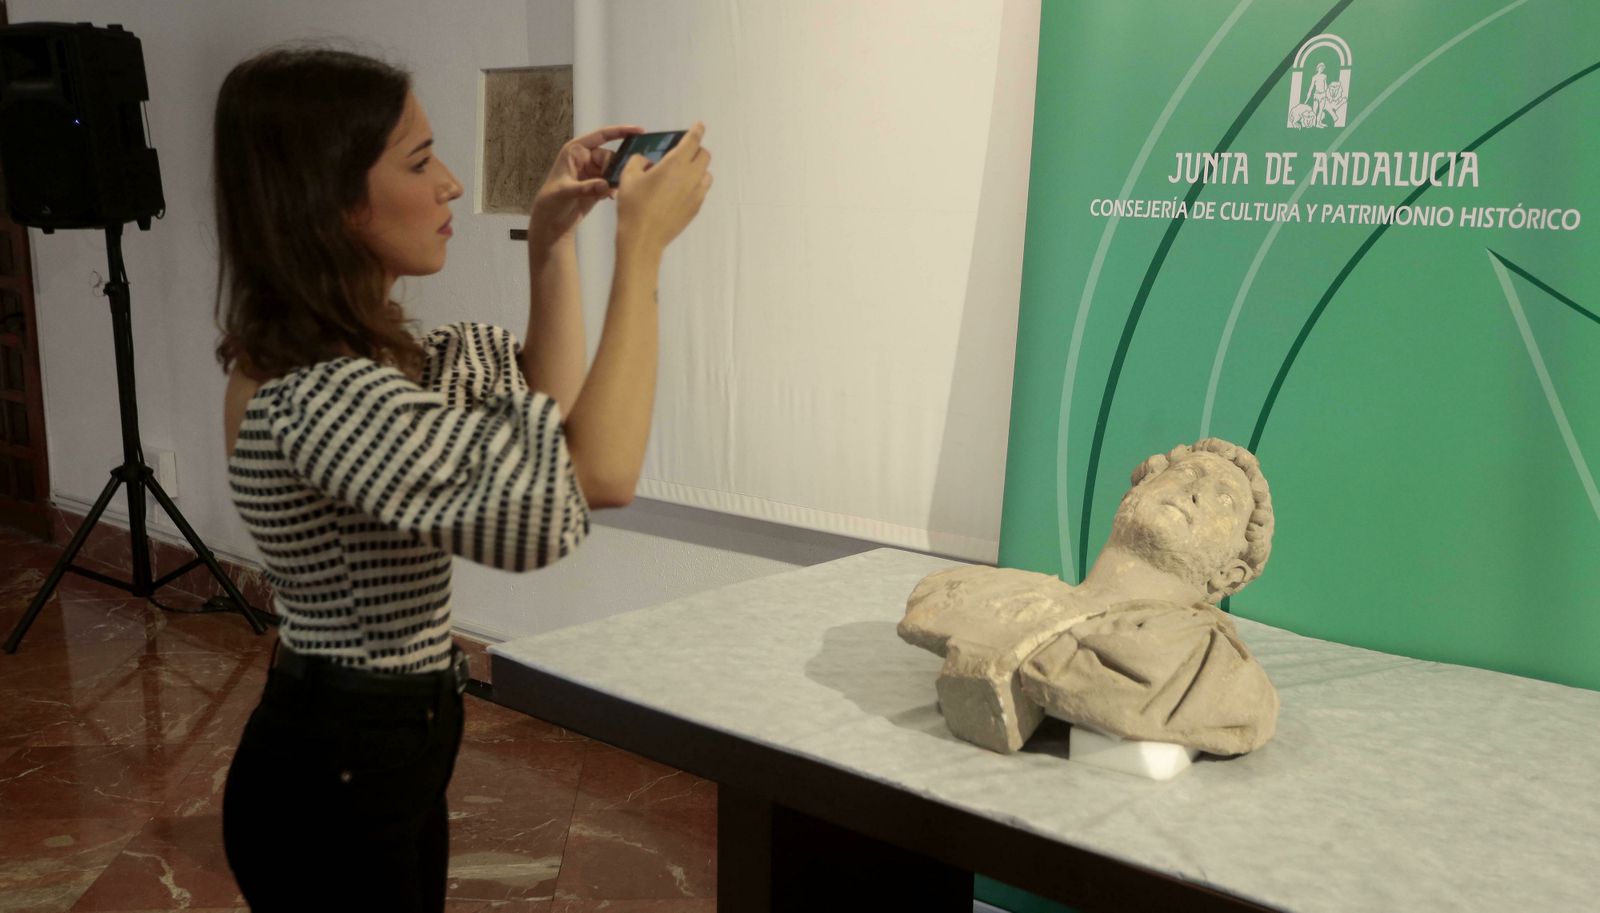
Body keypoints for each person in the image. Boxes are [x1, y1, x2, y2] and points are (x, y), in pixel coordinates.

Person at [212, 46, 711, 912]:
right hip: (333, 775)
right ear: (331, 200)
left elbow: (544, 413)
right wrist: (642, 254)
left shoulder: (377, 358)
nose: (449, 184)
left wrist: (552, 241)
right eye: (419, 160)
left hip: (384, 748)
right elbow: (594, 474)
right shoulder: (320, 396)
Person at [899, 438, 1279, 756]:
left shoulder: (1216, 676)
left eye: (1224, 500)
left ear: (1228, 574)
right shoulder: (966, 591)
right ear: (1137, 491)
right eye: (1186, 474)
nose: (1193, 492)